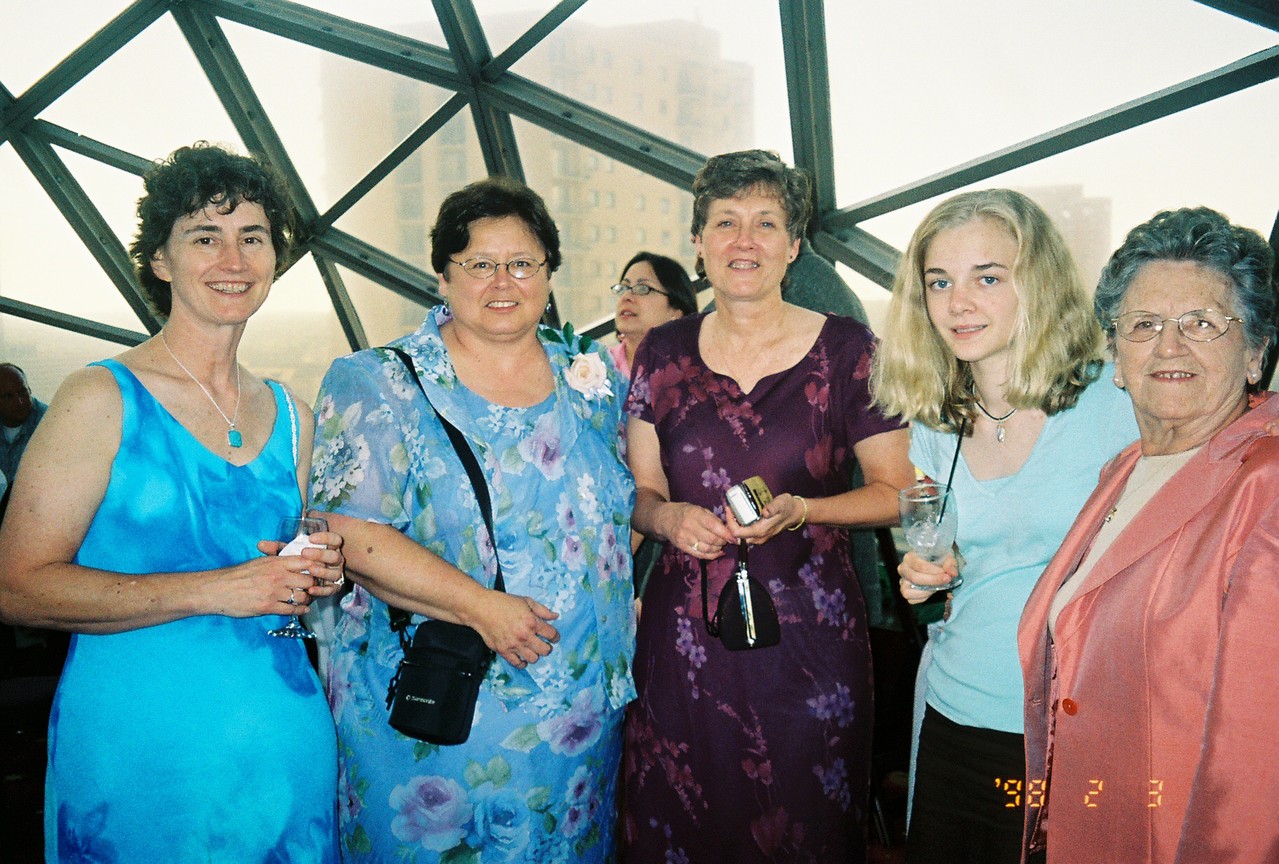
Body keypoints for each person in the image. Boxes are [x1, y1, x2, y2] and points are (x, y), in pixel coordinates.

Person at [0, 142, 344, 861]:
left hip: (282, 748)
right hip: (140, 755)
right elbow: (18, 588)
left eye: (253, 237)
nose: (233, 257)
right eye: (203, 236)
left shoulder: (292, 415)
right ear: (160, 260)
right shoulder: (99, 398)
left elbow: (276, 582)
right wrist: (221, 588)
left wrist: (313, 574)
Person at [309, 176, 636, 862]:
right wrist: (480, 607)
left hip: (579, 713)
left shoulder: (591, 377)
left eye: (522, 263)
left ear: (549, 272)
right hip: (440, 712)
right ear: (441, 276)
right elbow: (348, 534)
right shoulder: (381, 381)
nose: (502, 281)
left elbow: (616, 505)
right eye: (478, 264)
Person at [621, 148, 914, 862]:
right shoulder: (661, 352)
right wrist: (665, 519)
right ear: (698, 243)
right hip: (683, 637)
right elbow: (640, 493)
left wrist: (805, 511)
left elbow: (899, 493)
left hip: (809, 640)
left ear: (791, 245)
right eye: (724, 222)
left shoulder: (850, 351)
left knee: (804, 820)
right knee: (683, 820)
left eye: (763, 223)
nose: (742, 240)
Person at [871, 188, 1139, 863]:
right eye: (940, 282)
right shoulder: (935, 422)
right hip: (955, 713)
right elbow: (948, 564)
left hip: (1072, 727)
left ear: (1036, 283)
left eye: (987, 277)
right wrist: (923, 576)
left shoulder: (1115, 399)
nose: (958, 302)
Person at [1018, 207, 1279, 863]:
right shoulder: (1124, 469)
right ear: (1115, 355)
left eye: (1200, 323)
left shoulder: (1266, 484)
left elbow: (1256, 760)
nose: (1168, 346)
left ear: (1253, 352)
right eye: (1142, 325)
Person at [609, 251, 697, 377]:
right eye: (623, 288)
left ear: (676, 312)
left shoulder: (696, 374)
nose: (626, 296)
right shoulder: (595, 367)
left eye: (643, 288)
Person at [0, 363, 47, 489]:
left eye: (23, 392)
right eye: (8, 396)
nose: (19, 402)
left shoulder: (49, 422)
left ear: (30, 390)